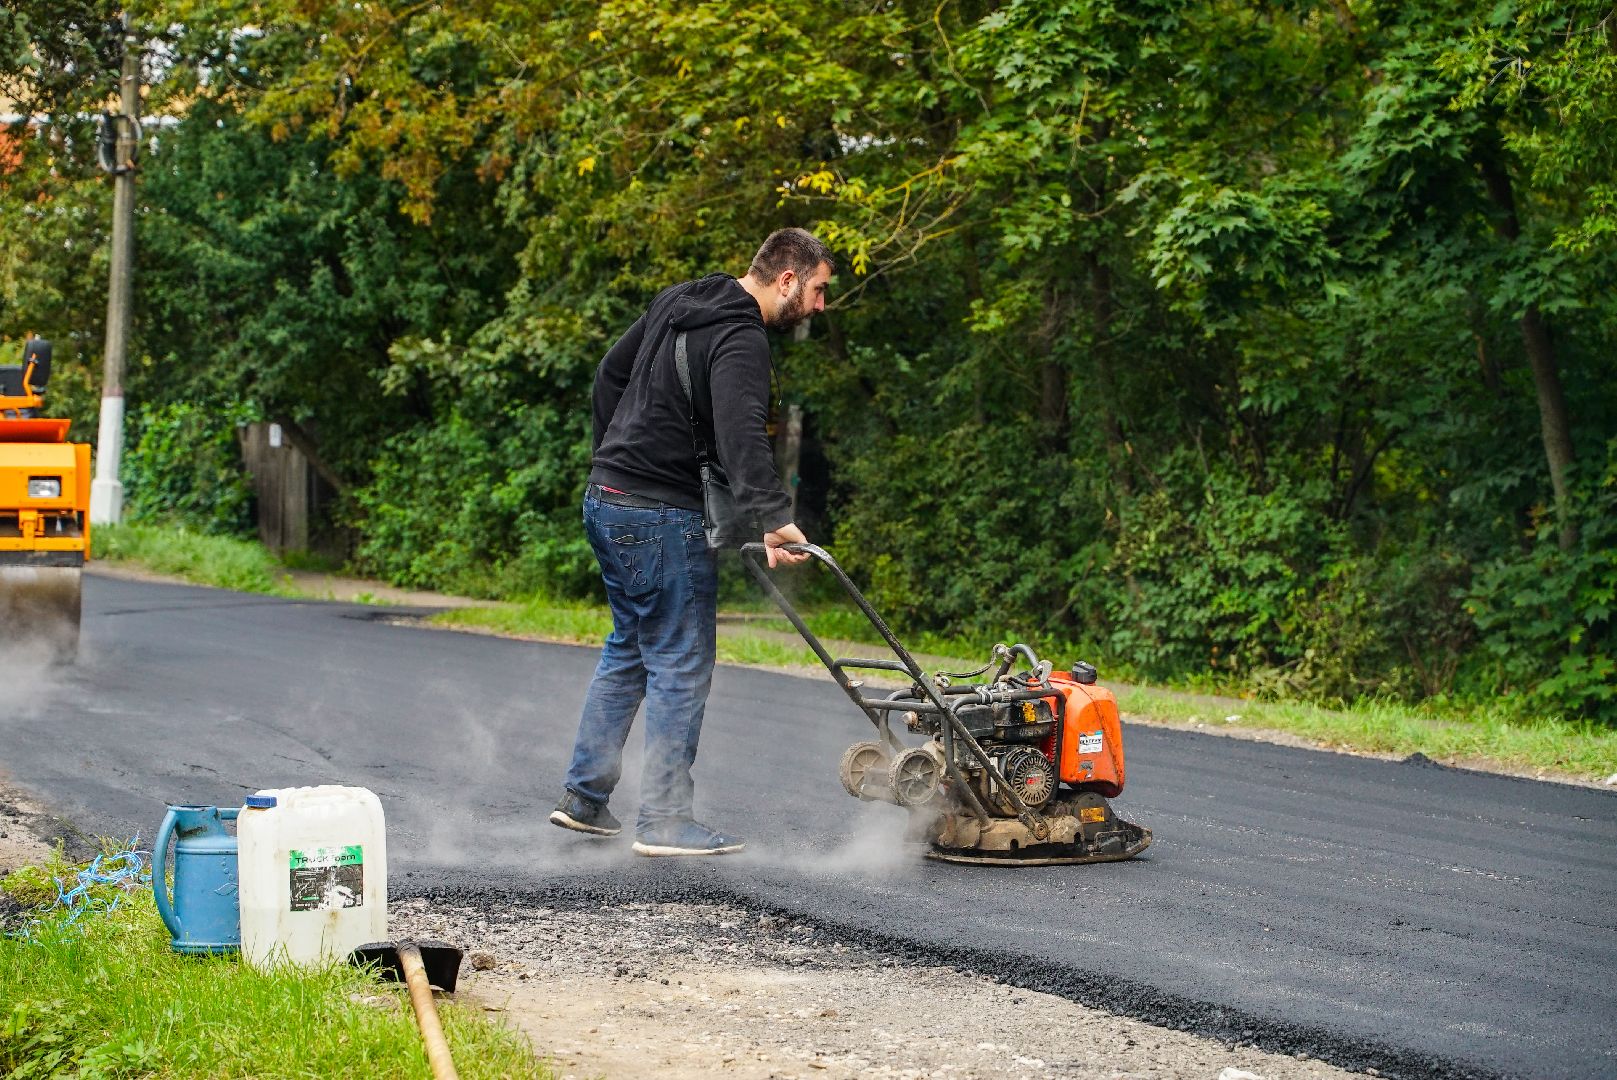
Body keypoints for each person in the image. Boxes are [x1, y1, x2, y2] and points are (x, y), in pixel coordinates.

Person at [550, 228, 834, 856]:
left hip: (607, 500)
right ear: (787, 279)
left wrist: (614, 459)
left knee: (630, 647)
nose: (819, 306)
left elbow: (608, 377)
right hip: (657, 514)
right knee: (682, 661)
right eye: (817, 291)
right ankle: (665, 821)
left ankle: (585, 800)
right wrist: (771, 513)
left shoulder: (679, 301)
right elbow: (740, 435)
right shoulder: (740, 334)